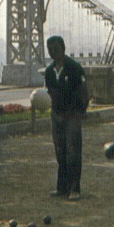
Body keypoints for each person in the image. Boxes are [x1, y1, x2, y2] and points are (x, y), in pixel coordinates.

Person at [44, 36, 89, 201]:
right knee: (59, 151)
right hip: (56, 115)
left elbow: (84, 90)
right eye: (50, 49)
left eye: (55, 49)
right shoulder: (49, 71)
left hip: (72, 115)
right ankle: (61, 187)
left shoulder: (74, 67)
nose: (52, 52)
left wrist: (81, 110)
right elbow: (50, 92)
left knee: (73, 152)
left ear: (63, 48)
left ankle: (74, 188)